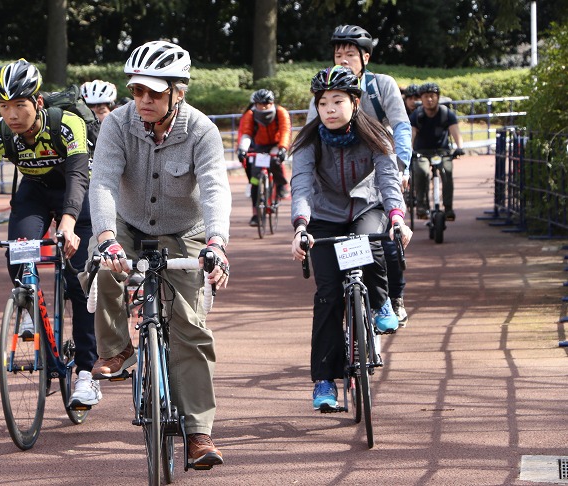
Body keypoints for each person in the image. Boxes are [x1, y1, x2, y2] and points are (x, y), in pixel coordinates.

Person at [85, 40, 230, 468]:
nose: (143, 101)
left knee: (190, 326)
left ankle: (199, 433)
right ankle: (118, 349)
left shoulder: (201, 129)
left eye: (153, 92)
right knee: (104, 266)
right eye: (136, 91)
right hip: (127, 226)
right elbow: (105, 182)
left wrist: (217, 244)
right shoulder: (116, 125)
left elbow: (215, 188)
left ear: (177, 92)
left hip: (185, 230)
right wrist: (107, 237)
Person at [0, 59, 100, 408]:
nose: (12, 114)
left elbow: (79, 177)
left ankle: (86, 374)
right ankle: (30, 307)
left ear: (38, 103)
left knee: (81, 282)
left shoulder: (68, 124)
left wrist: (67, 222)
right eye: (4, 106)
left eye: (20, 105)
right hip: (33, 193)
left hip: (75, 195)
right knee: (18, 251)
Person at [290, 65, 413, 410]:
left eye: (337, 101)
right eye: (323, 102)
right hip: (324, 217)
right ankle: (325, 381)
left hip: (365, 208)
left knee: (370, 243)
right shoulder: (308, 140)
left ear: (355, 102)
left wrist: (398, 218)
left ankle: (380, 300)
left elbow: (389, 181)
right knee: (328, 295)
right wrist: (300, 227)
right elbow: (300, 185)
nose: (329, 109)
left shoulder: (376, 135)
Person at [307, 24, 413, 326]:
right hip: (336, 186)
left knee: (387, 242)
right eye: (338, 54)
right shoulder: (326, 92)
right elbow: (311, 135)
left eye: (350, 54)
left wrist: (402, 165)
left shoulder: (381, 86)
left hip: (378, 172)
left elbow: (401, 126)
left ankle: (394, 298)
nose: (343, 60)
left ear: (365, 57)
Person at [236, 89, 291, 226]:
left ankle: (280, 186)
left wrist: (283, 148)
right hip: (258, 146)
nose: (263, 107)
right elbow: (246, 132)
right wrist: (242, 149)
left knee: (275, 162)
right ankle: (255, 213)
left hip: (275, 144)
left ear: (272, 103)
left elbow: (285, 130)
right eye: (260, 104)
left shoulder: (280, 112)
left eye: (266, 104)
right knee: (255, 179)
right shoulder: (251, 114)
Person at [410, 82, 464, 221]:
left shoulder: (446, 114)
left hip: (442, 151)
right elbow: (411, 135)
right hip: (421, 152)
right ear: (421, 99)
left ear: (438, 97)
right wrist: (410, 150)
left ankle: (448, 207)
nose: (429, 99)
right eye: (426, 96)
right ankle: (421, 206)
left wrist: (459, 147)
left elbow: (456, 132)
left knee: (447, 171)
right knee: (421, 171)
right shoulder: (417, 115)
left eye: (432, 96)